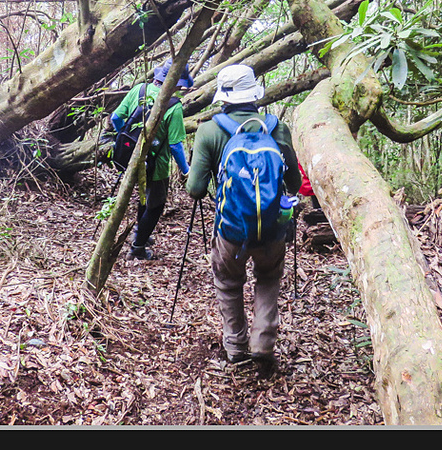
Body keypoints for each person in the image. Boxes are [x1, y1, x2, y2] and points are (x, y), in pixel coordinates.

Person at [186, 65, 301, 366]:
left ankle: (236, 347)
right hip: (273, 228)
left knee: (228, 281)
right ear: (254, 94)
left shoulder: (209, 130)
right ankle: (262, 343)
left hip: (231, 229)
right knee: (268, 278)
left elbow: (195, 189)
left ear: (223, 97)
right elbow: (295, 184)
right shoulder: (277, 128)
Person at [110, 60, 192, 260]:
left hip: (131, 159)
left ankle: (141, 235)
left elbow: (115, 118)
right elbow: (174, 145)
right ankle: (137, 247)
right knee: (155, 205)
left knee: (144, 198)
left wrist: (126, 137)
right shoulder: (173, 106)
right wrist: (186, 170)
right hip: (157, 166)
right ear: (175, 83)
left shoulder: (140, 90)